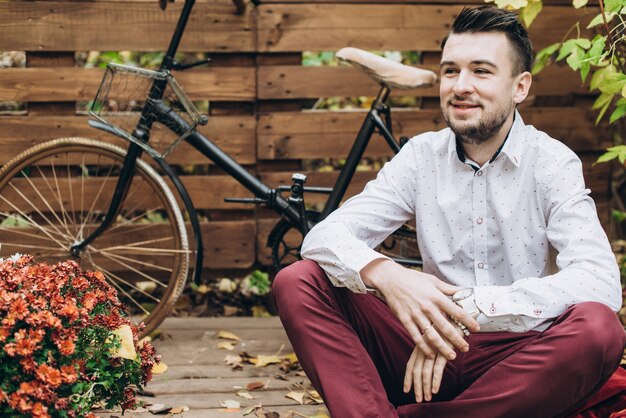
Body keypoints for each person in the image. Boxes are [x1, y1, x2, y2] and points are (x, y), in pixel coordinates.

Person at [272, 5, 626, 418]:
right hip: (416, 354)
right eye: (450, 71)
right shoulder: (421, 156)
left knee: (599, 329)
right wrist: (386, 274)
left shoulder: (551, 162)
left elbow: (599, 282)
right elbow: (323, 238)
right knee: (299, 280)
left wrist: (460, 313)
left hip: (514, 359)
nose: (461, 86)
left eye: (481, 71)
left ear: (520, 87)